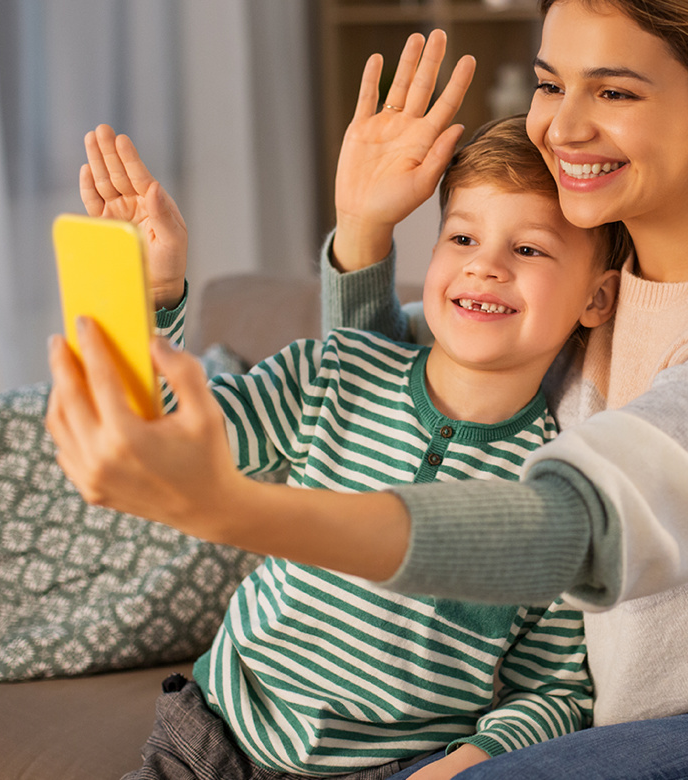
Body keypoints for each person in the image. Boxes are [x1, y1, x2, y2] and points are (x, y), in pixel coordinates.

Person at [49, 0, 688, 778]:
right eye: (552, 83)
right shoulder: (585, 299)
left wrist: (231, 508)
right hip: (643, 731)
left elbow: (568, 529)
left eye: (618, 91)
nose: (561, 125)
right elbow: (374, 380)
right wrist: (361, 229)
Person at [56, 104, 626, 780]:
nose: (486, 268)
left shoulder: (553, 491)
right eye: (463, 239)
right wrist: (153, 292)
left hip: (387, 768)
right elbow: (172, 433)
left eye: (528, 249)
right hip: (214, 738)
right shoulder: (333, 370)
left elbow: (554, 691)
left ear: (598, 298)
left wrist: (462, 767)